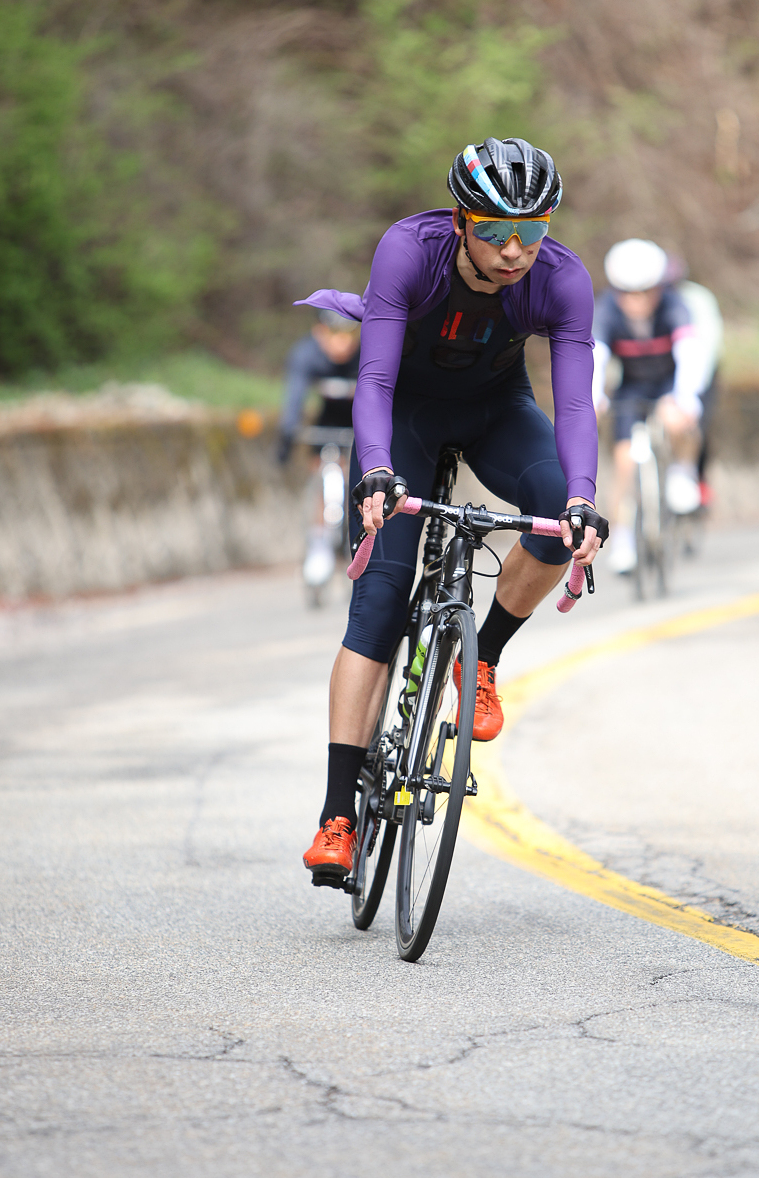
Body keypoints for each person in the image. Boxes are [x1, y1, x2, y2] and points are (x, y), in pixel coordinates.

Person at [295, 137, 603, 884]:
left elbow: (573, 404)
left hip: (498, 413)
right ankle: (337, 817)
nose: (514, 251)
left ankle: (481, 657)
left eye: (532, 231)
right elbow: (374, 379)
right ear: (461, 221)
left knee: (556, 517)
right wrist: (375, 470)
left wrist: (583, 498)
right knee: (378, 606)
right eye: (495, 231)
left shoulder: (562, 280)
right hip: (404, 418)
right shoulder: (410, 250)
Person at [591, 239, 708, 573]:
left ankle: (682, 472)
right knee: (624, 462)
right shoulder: (606, 309)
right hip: (632, 387)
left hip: (669, 383)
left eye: (645, 292)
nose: (637, 300)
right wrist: (593, 397)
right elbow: (596, 356)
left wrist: (687, 397)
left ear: (659, 287)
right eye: (627, 293)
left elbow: (689, 352)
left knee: (676, 419)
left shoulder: (674, 305)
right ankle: (623, 539)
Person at [276, 309, 362, 588]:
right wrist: (287, 436)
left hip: (360, 417)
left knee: (360, 477)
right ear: (319, 333)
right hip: (327, 419)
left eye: (349, 336)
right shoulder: (305, 354)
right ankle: (319, 542)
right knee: (321, 473)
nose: (342, 343)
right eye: (334, 335)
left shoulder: (368, 353)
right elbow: (294, 397)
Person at [665, 254, 725, 509]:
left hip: (698, 370)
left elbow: (708, 343)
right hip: (662, 371)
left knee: (697, 423)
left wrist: (695, 386)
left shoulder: (698, 298)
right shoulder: (653, 301)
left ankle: (696, 478)